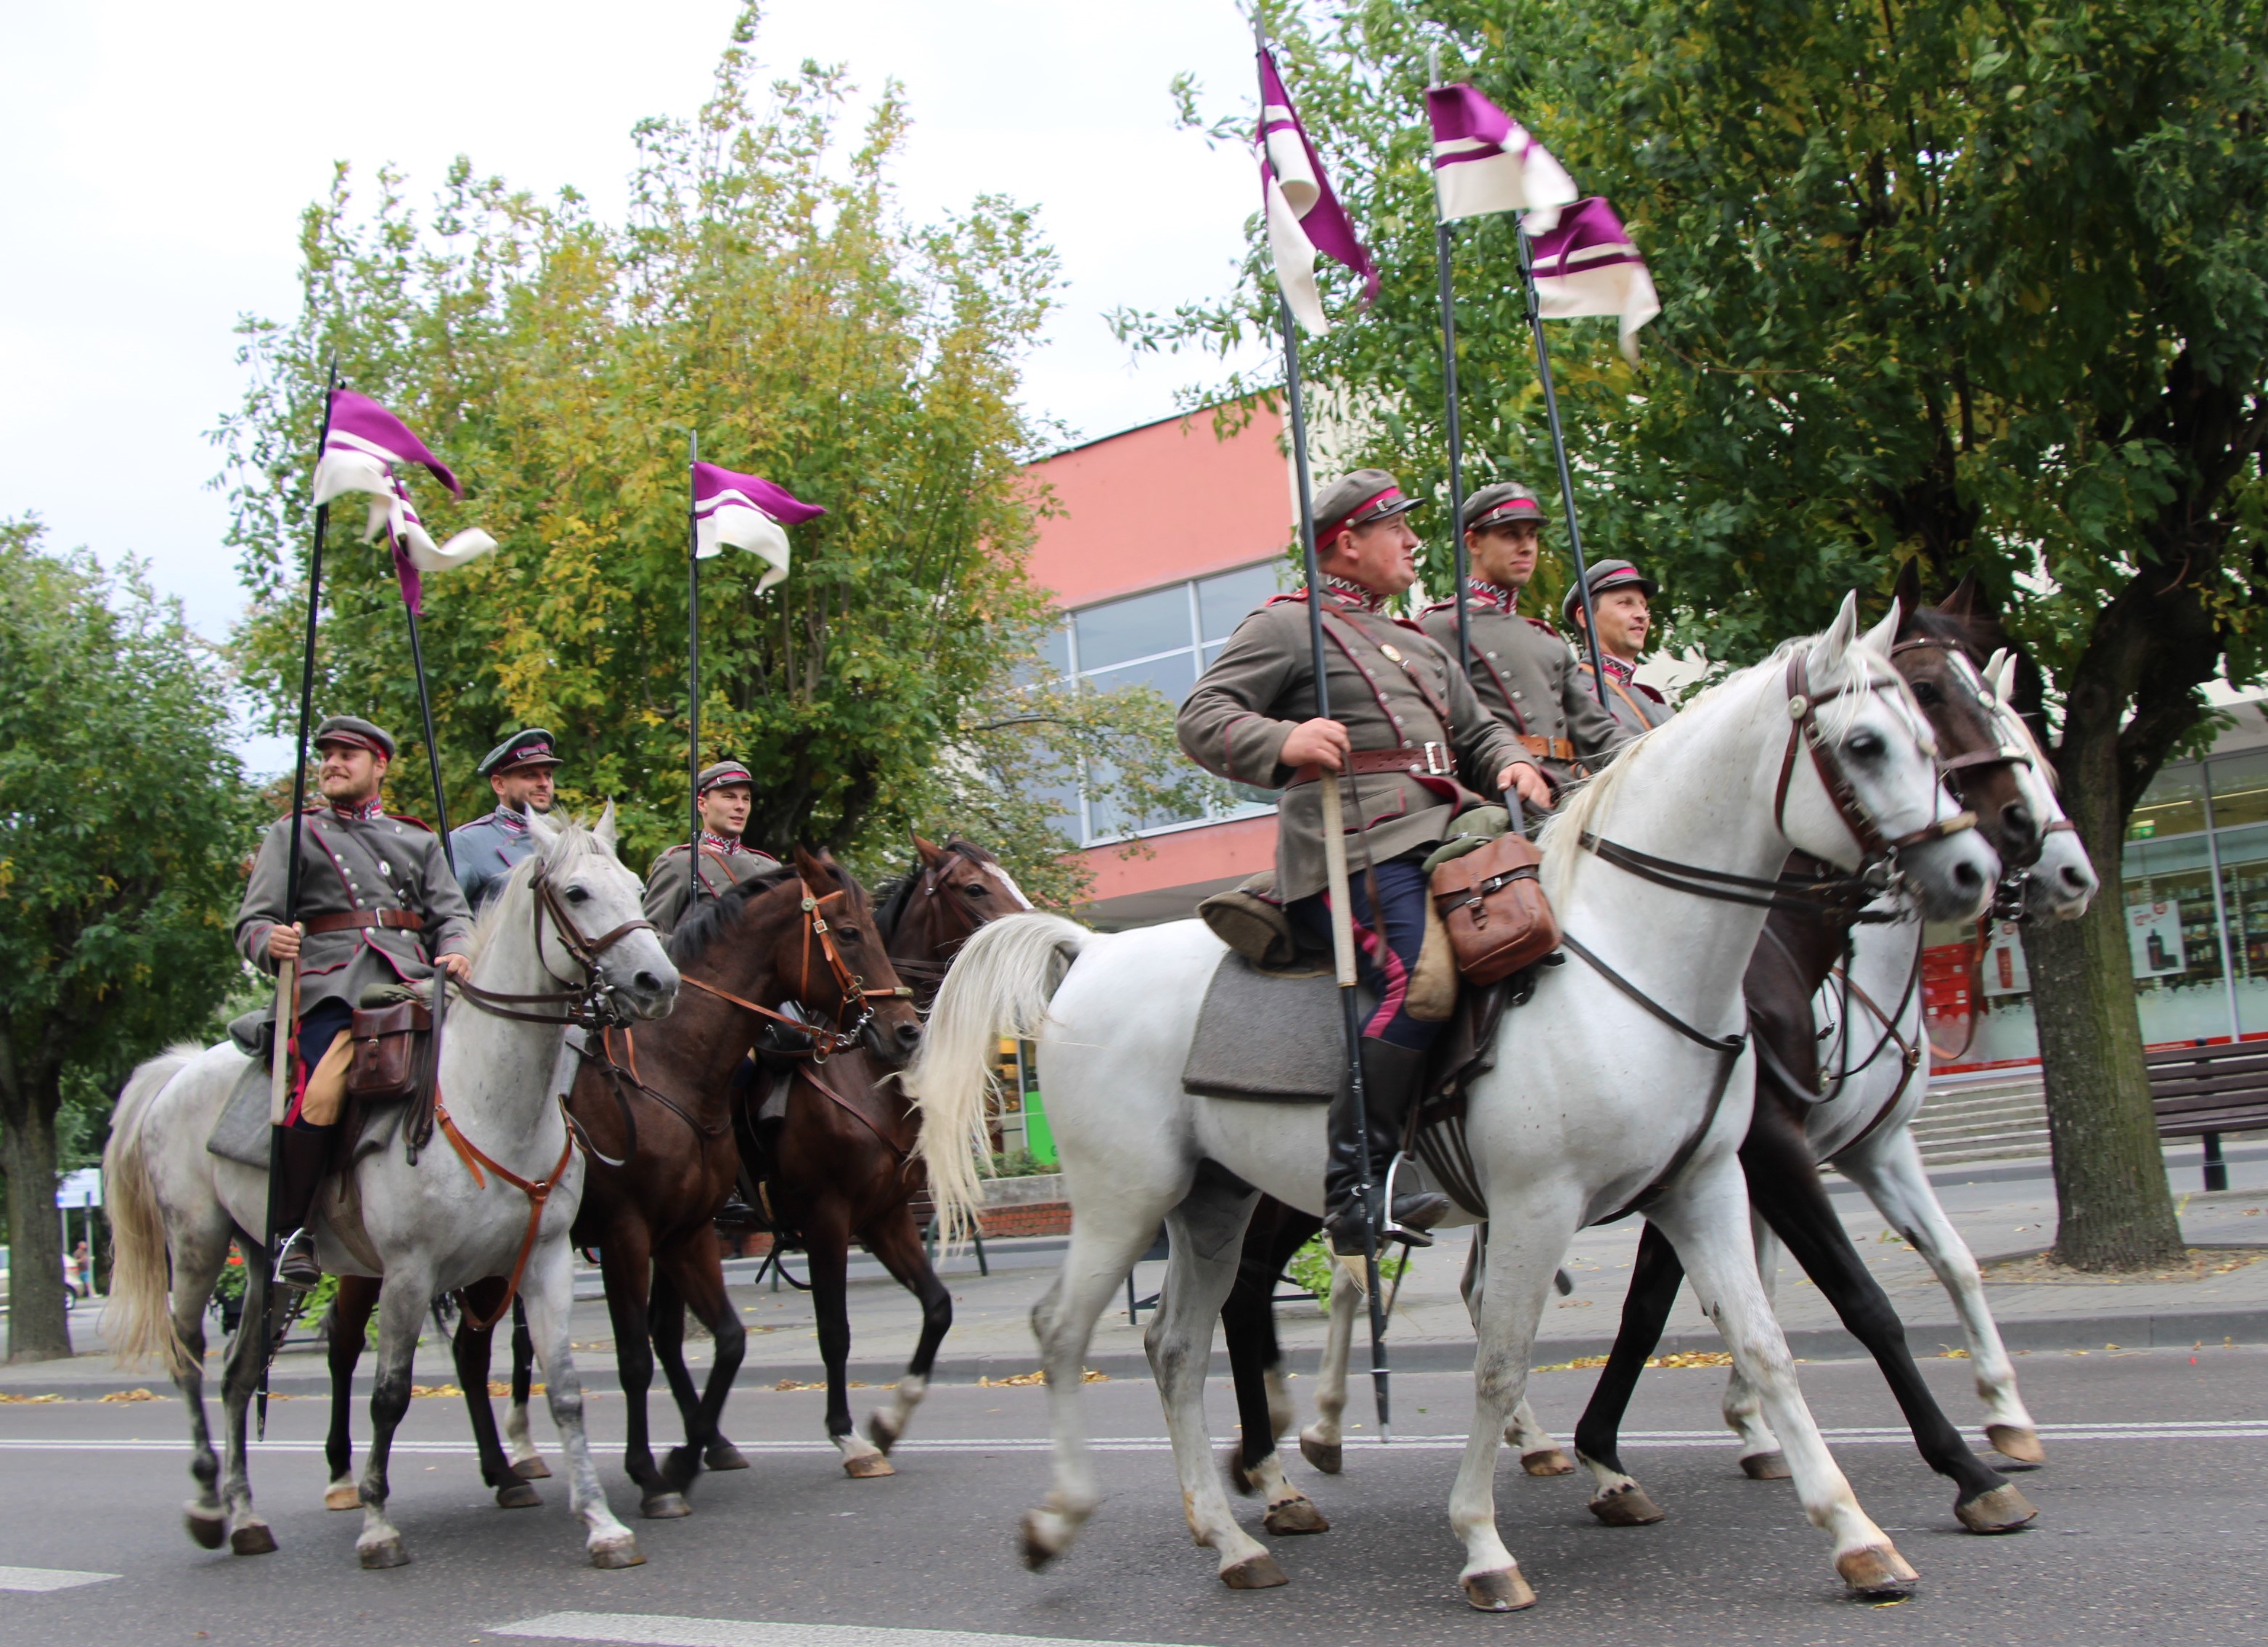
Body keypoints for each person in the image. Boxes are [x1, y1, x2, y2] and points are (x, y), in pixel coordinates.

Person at [1178, 469, 1547, 1257]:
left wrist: (1513, 762)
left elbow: (1478, 734)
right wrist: (1283, 741)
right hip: (1352, 846)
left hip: (1447, 832)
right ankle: (1353, 1186)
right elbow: (1202, 717)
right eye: (1397, 529)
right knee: (1424, 980)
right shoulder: (1286, 627)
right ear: (1346, 543)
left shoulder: (1419, 640)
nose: (1416, 542)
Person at [236, 716, 476, 1286]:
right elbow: (252, 920)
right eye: (328, 755)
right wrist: (271, 940)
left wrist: (459, 948)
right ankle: (293, 1232)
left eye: (349, 754)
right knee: (320, 1092)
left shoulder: (417, 838)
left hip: (414, 984)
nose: (333, 764)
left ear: (380, 766)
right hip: (332, 988)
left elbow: (452, 914)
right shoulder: (293, 833)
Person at [1419, 482, 1630, 793]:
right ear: (1474, 543)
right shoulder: (1440, 627)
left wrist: (1648, 753)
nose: (1527, 547)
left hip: (1566, 790)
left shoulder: (1545, 638)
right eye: (1511, 535)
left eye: (1531, 535)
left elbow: (1595, 730)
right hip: (1500, 794)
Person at [642, 760, 780, 936]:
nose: (740, 806)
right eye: (729, 797)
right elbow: (649, 938)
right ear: (702, 805)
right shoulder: (679, 864)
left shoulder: (770, 869)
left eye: (746, 799)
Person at [450, 727, 564, 911]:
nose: (543, 783)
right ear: (499, 784)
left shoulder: (568, 842)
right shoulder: (466, 843)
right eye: (530, 775)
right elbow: (443, 917)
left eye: (548, 775)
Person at [1564, 559, 1674, 733]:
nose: (1642, 615)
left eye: (1644, 606)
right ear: (1585, 617)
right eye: (1625, 603)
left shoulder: (1656, 705)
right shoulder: (1574, 694)